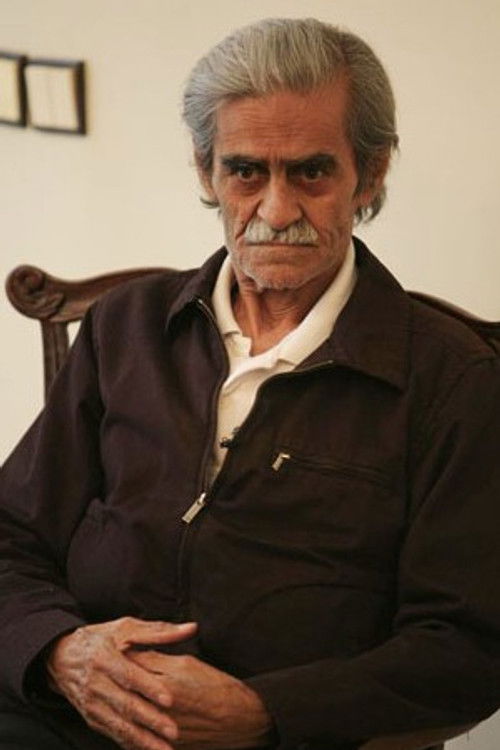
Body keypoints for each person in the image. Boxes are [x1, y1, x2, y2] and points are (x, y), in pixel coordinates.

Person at [0, 16, 499, 750]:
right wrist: (59, 653)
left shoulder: (453, 379)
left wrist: (266, 712)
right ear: (206, 172)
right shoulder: (126, 325)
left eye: (311, 172)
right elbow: (11, 536)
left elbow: (467, 645)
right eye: (246, 172)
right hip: (66, 717)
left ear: (371, 174)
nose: (275, 210)